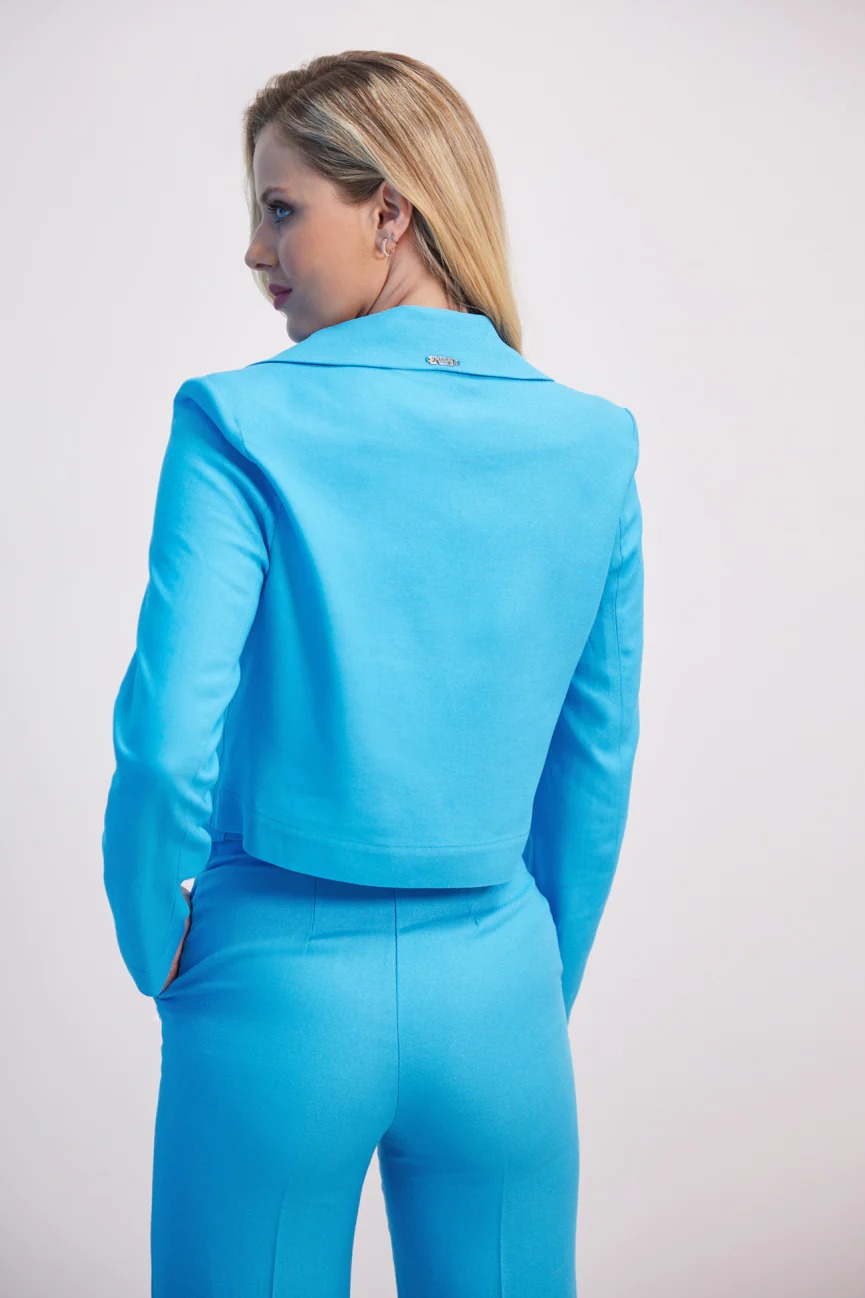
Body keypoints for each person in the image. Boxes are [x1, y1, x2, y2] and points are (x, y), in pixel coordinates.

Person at [101, 49, 644, 1298]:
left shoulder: (237, 418)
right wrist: (532, 982)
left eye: (281, 208)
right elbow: (595, 759)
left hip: (271, 987)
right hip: (502, 994)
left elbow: (167, 737)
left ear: (391, 210)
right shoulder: (593, 441)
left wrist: (159, 949)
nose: (256, 250)